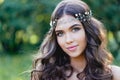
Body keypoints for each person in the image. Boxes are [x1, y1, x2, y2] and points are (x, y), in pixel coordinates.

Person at [31, 0, 120, 80]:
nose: (68, 40)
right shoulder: (44, 75)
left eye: (75, 29)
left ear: (88, 30)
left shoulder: (114, 75)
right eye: (60, 33)